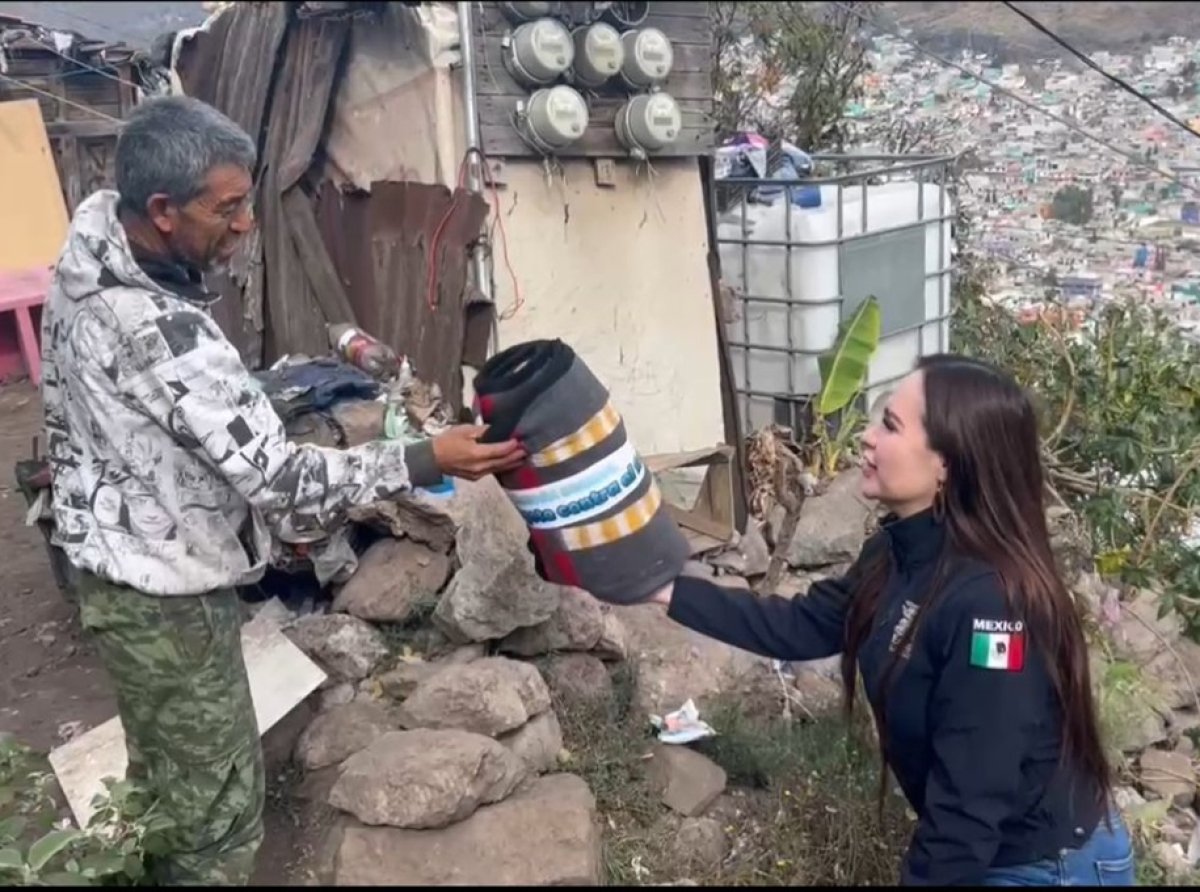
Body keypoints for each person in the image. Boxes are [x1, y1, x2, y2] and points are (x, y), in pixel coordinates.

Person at [39, 95, 525, 885]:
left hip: (112, 560)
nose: (244, 226)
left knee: (161, 779)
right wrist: (425, 459)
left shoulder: (90, 248)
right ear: (161, 210)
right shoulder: (157, 328)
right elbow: (288, 486)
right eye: (226, 209)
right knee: (215, 820)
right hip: (165, 596)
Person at [642, 355, 1134, 886]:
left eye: (891, 426)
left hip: (1045, 867)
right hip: (987, 851)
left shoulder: (992, 606)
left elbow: (968, 806)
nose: (867, 438)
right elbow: (801, 624)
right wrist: (663, 589)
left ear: (947, 462)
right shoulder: (898, 553)